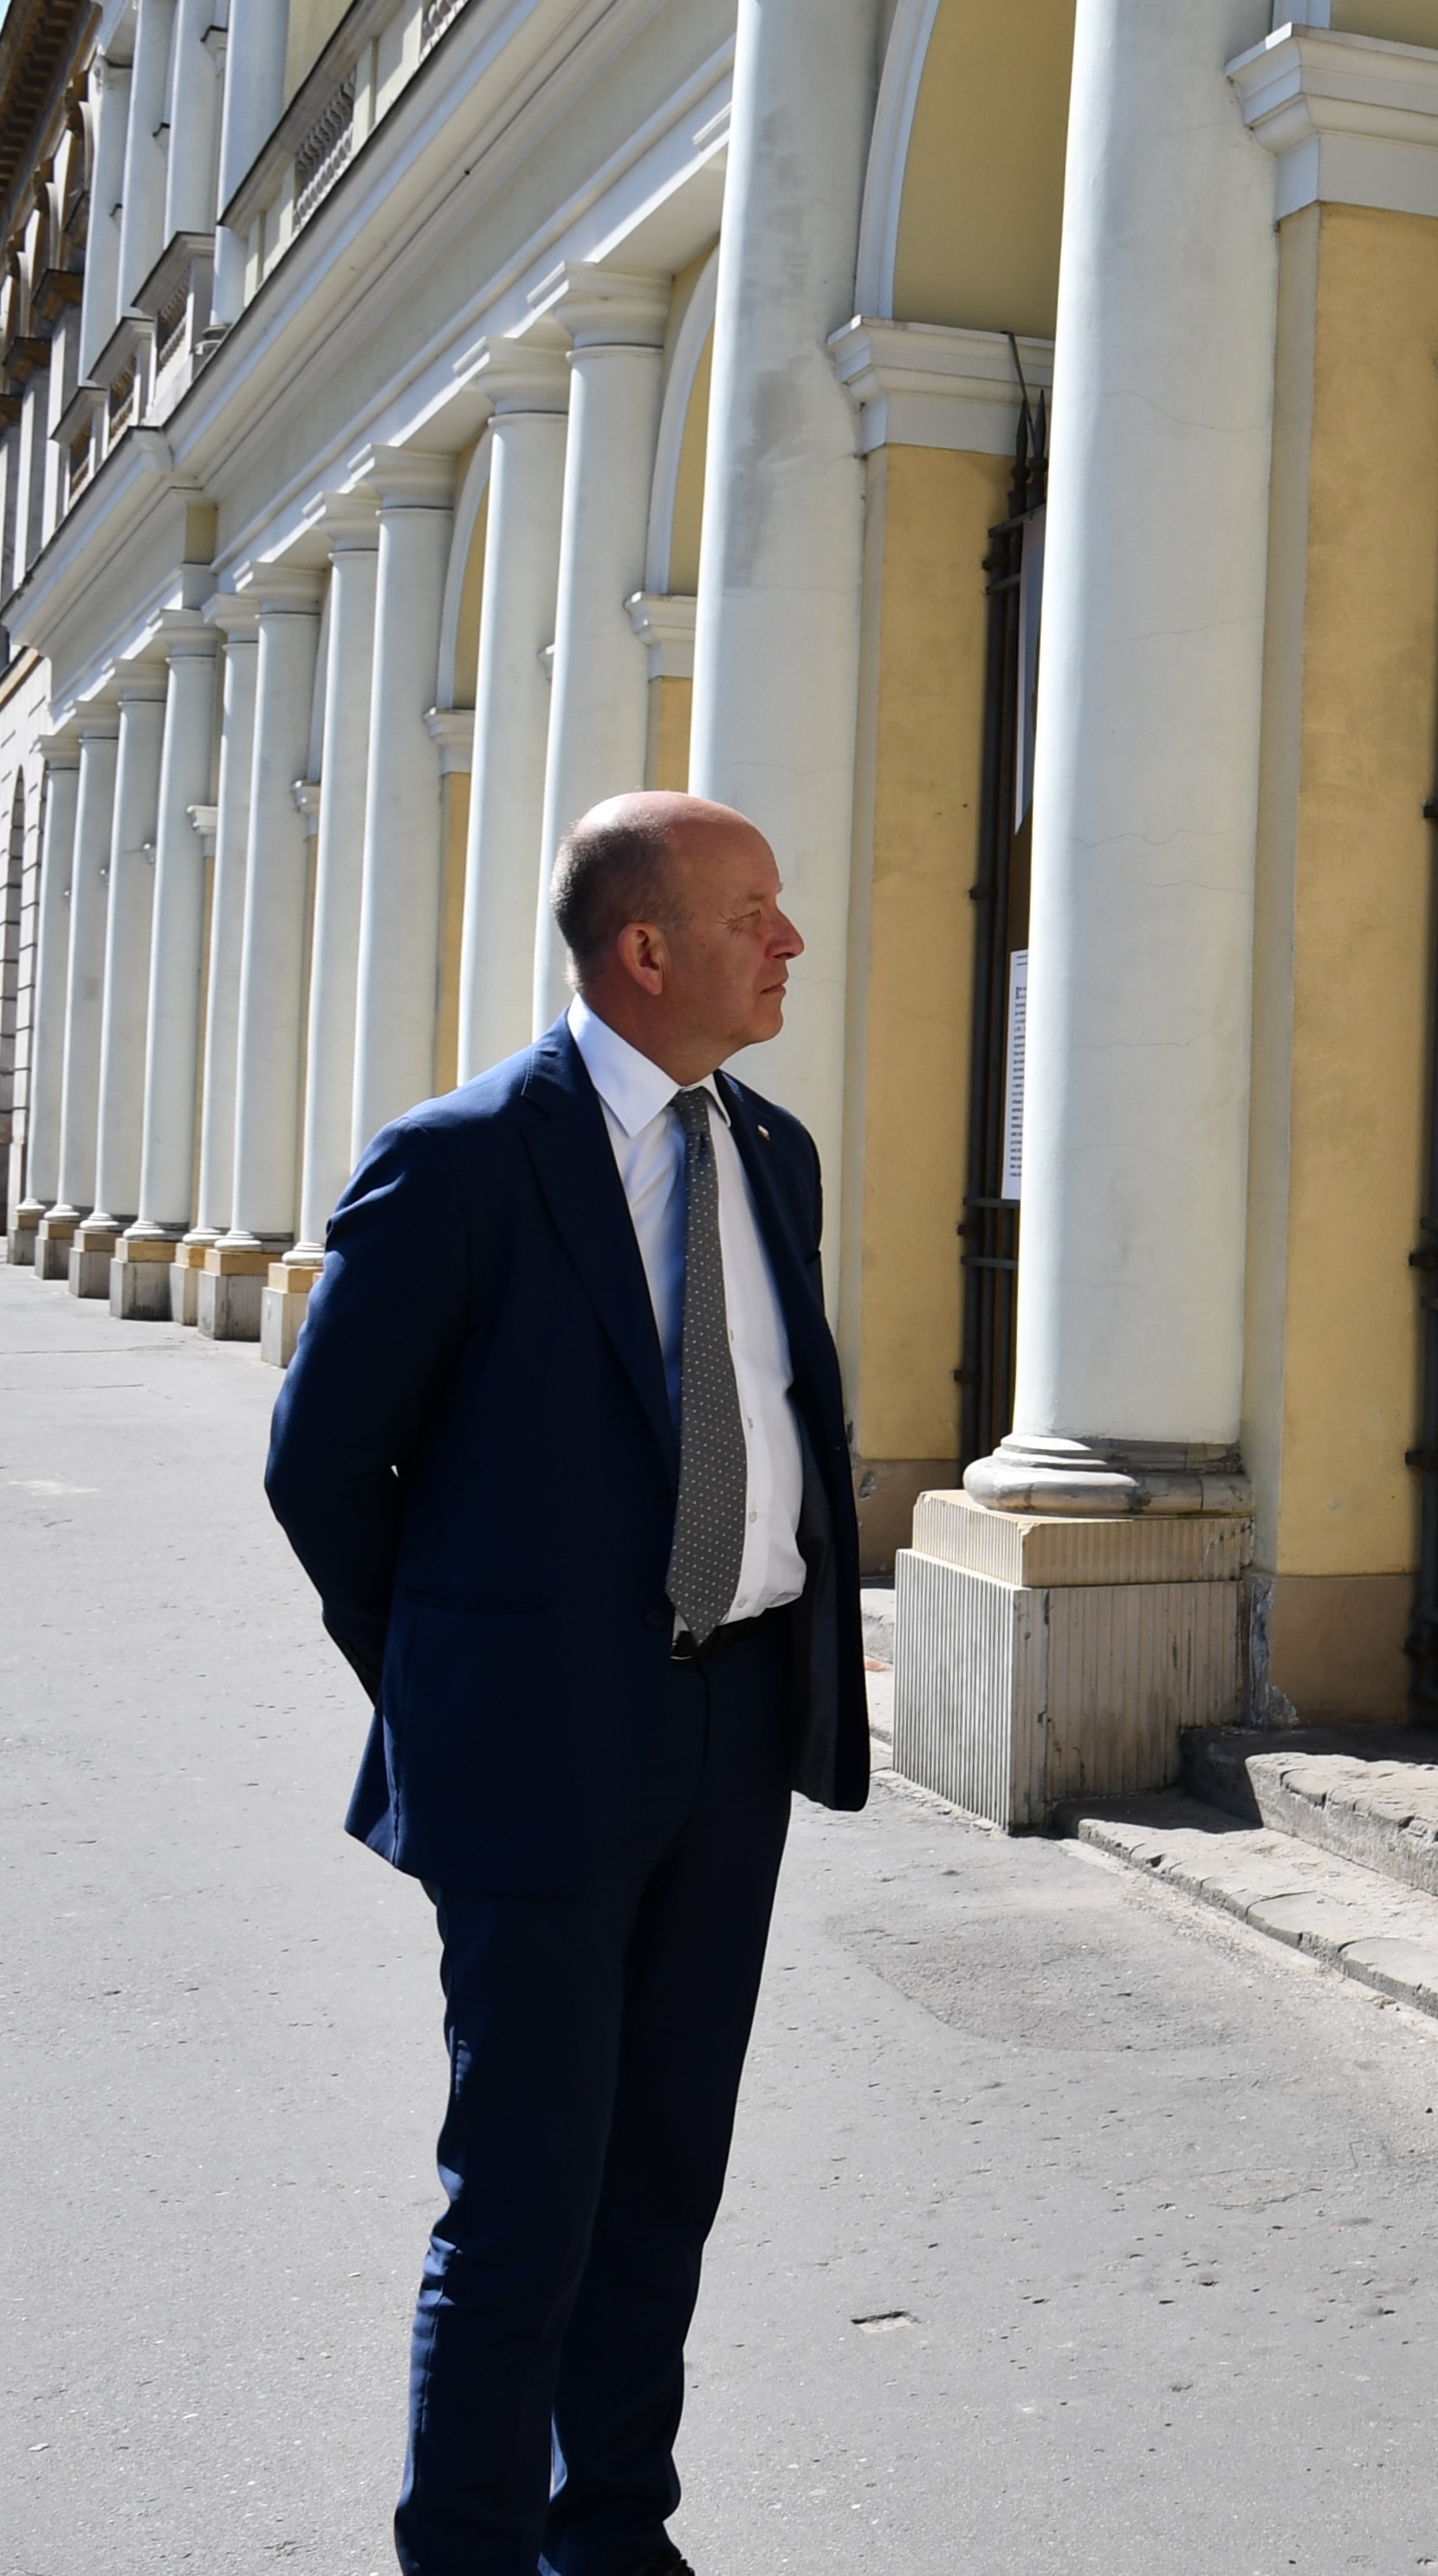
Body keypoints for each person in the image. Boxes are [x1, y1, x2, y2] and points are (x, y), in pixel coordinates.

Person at [267, 790, 868, 2576]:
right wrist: (457, 1676)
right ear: (646, 948)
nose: (789, 939)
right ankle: (465, 2553)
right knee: (527, 2195)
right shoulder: (461, 1162)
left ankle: (609, 2534)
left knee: (664, 2177)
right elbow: (323, 1466)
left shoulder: (772, 1154)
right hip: (537, 1751)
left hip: (732, 1729)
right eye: (753, 912)